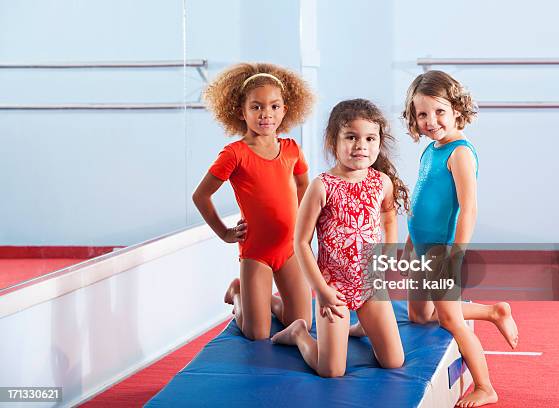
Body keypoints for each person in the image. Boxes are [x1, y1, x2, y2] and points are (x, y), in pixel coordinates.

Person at [403, 70, 517, 407]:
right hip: (423, 249)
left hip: (442, 252)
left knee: (450, 319)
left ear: (456, 109)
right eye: (422, 114)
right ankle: (493, 312)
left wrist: (456, 253)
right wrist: (409, 244)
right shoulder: (431, 150)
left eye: (439, 111)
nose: (430, 120)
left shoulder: (460, 153)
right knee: (419, 316)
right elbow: (422, 202)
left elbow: (468, 208)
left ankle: (485, 386)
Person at [271, 99, 409, 377]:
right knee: (331, 370)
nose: (361, 146)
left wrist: (386, 256)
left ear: (379, 142)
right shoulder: (322, 186)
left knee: (393, 362)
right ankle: (299, 334)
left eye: (370, 138)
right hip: (334, 288)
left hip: (370, 284)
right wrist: (321, 290)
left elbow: (389, 217)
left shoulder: (381, 182)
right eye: (351, 137)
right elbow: (300, 242)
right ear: (333, 141)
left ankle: (360, 325)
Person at [193, 63, 314, 340]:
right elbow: (201, 195)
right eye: (257, 107)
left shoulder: (292, 149)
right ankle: (238, 294)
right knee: (256, 333)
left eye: (274, 106)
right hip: (256, 252)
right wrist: (224, 232)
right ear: (241, 112)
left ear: (285, 110)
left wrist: (302, 225)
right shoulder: (235, 154)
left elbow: (303, 184)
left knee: (301, 323)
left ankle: (264, 301)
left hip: (290, 248)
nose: (266, 114)